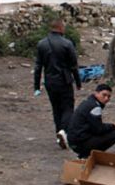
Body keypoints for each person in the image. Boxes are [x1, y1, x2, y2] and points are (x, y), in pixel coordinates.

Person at [34, 19, 81, 149]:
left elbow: (38, 66)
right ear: (60, 28)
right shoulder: (67, 44)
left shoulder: (42, 44)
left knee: (56, 108)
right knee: (67, 107)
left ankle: (58, 133)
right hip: (64, 80)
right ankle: (64, 131)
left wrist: (36, 86)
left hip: (49, 81)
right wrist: (78, 82)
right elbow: (73, 66)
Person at [67, 84, 115, 158]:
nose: (106, 98)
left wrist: (112, 126)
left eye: (109, 96)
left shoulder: (88, 102)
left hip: (73, 140)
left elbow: (95, 126)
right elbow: (99, 129)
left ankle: (85, 155)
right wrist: (114, 126)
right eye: (104, 95)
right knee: (114, 135)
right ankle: (88, 155)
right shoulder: (95, 107)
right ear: (96, 93)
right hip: (79, 143)